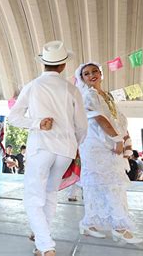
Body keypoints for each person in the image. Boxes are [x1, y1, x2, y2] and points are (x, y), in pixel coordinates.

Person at [8, 40, 88, 256]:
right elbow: (82, 125)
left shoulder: (33, 86)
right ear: (63, 66)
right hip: (66, 148)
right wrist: (75, 144)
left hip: (41, 146)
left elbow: (13, 117)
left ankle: (46, 246)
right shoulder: (72, 89)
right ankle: (41, 235)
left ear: (43, 63)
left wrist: (36, 123)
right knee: (51, 192)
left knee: (34, 196)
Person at [75, 61, 143, 244]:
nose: (92, 75)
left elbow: (117, 120)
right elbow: (98, 118)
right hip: (96, 146)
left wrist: (125, 140)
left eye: (95, 71)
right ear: (82, 79)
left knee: (104, 185)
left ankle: (89, 223)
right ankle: (120, 227)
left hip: (108, 144)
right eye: (86, 73)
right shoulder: (88, 95)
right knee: (110, 184)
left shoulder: (106, 95)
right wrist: (117, 139)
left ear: (101, 74)